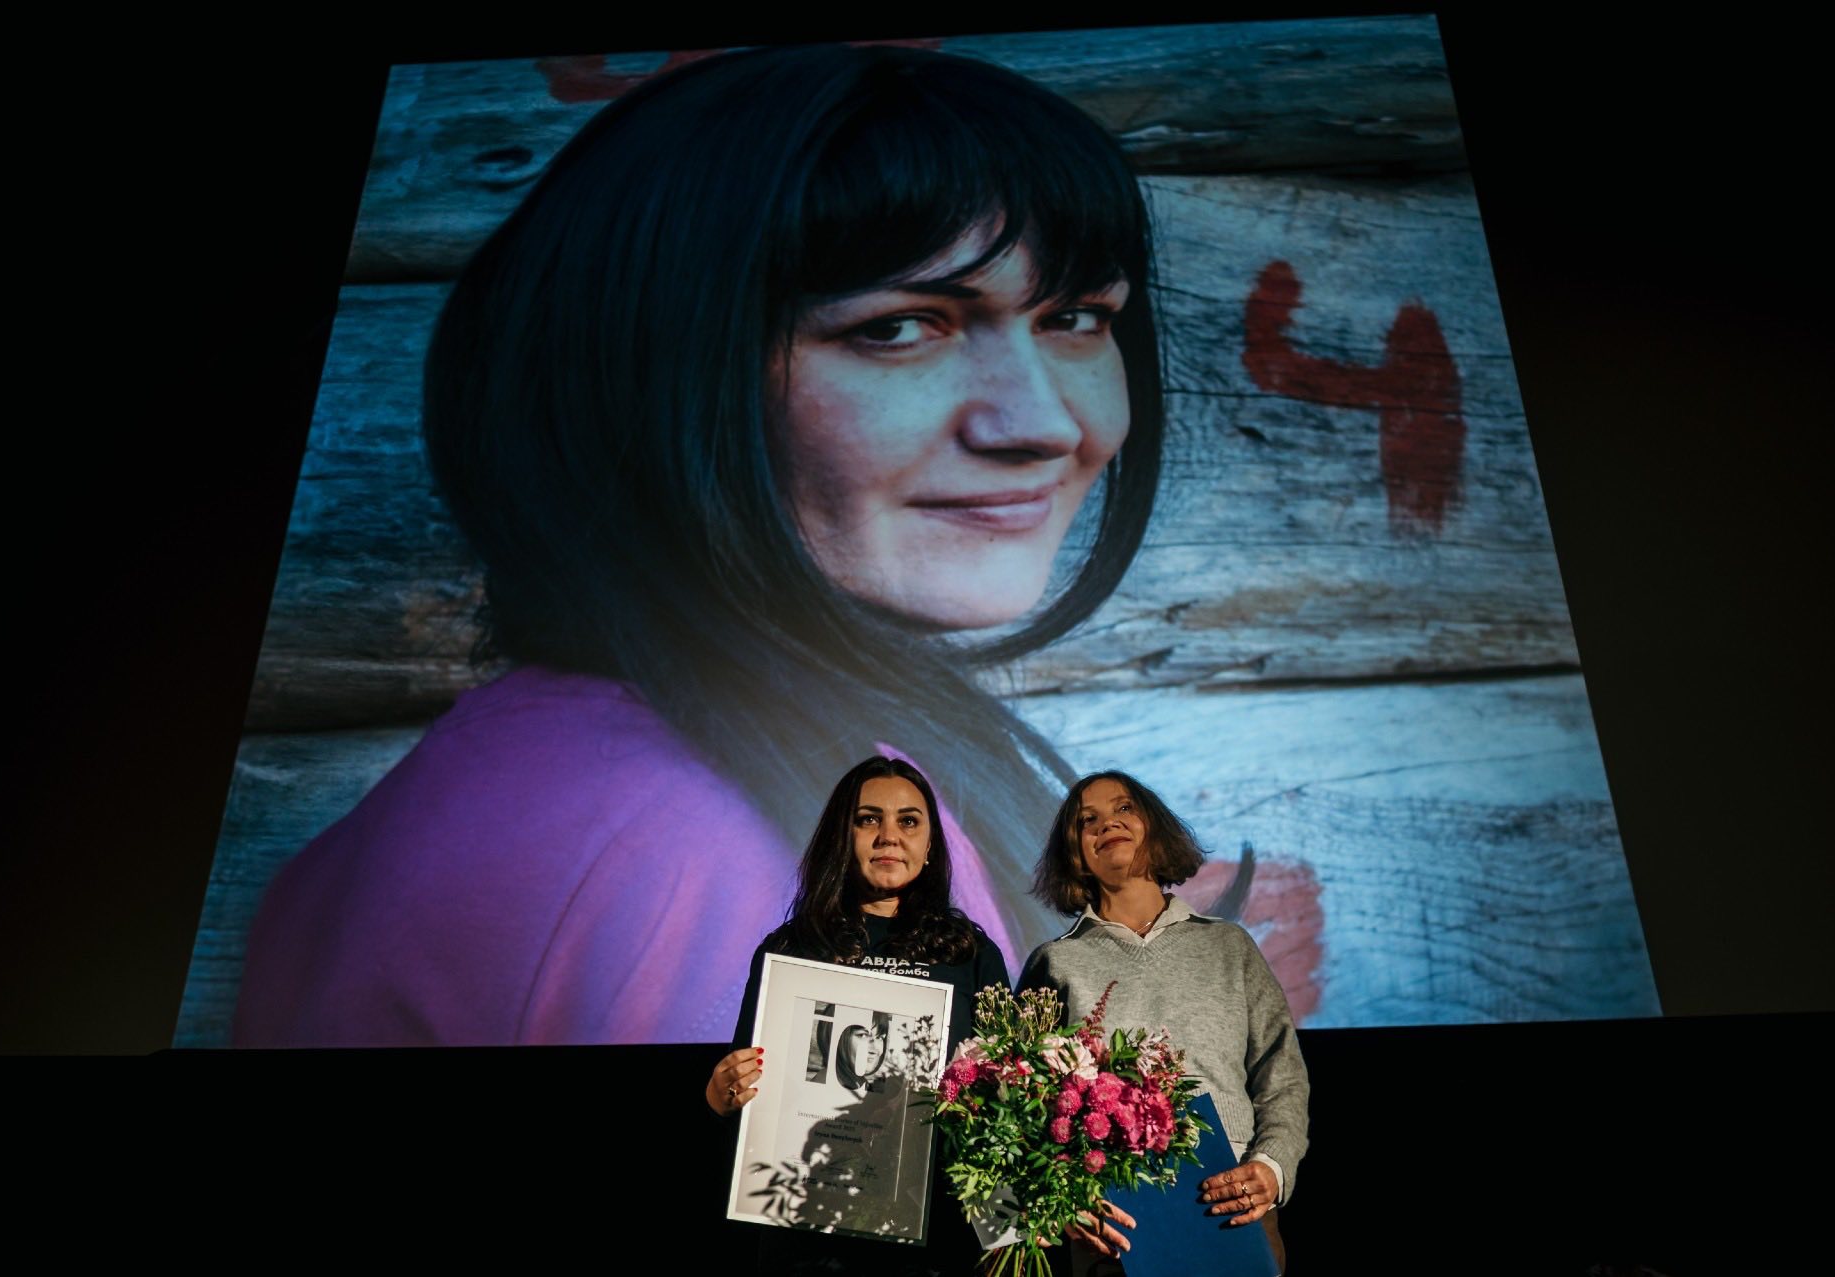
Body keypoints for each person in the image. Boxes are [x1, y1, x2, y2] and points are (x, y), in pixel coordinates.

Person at [232, 43, 1164, 1047]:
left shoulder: (484, 781)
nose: (1041, 424)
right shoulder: (766, 860)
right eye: (897, 328)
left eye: (1076, 317)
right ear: (648, 374)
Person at [708, 755, 1009, 1274]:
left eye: (908, 821)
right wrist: (720, 1097)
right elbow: (743, 1091)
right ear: (841, 837)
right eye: (869, 819)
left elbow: (1010, 1108)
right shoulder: (792, 949)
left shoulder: (970, 954)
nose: (889, 835)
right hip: (809, 1239)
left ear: (930, 845)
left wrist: (1008, 1231)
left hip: (936, 1242)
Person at [1019, 772, 1310, 1274]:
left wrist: (1272, 1167)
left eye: (1124, 808)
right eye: (1087, 820)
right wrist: (1065, 1199)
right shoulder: (1055, 963)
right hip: (1114, 1219)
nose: (1107, 823)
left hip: (1232, 1204)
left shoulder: (1229, 947)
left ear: (1154, 827)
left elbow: (1281, 1075)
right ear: (1074, 854)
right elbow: (1022, 1104)